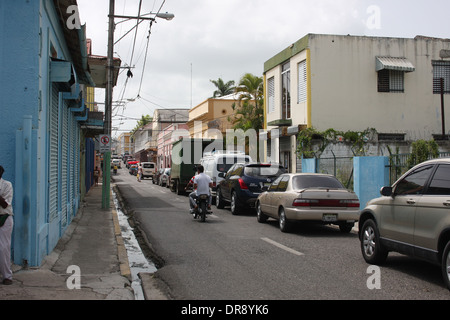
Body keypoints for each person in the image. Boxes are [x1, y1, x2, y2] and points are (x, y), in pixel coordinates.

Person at [0, 166, 14, 285]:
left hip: (4, 218)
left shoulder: (7, 185)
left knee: (4, 248)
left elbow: (5, 204)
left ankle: (7, 276)